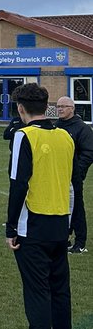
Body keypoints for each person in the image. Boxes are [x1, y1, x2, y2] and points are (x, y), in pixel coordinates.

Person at [1, 82, 74, 329]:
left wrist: (10, 227)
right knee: (60, 292)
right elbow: (71, 184)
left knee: (37, 294)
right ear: (47, 107)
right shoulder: (65, 136)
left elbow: (18, 183)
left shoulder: (23, 135)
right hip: (59, 223)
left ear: (20, 109)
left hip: (33, 226)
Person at [55, 96, 93, 254]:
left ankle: (80, 242)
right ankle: (64, 238)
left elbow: (89, 152)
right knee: (60, 208)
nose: (60, 109)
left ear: (72, 108)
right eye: (58, 106)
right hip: (57, 175)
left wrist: (77, 170)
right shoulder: (56, 126)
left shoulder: (82, 128)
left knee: (76, 208)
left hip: (73, 176)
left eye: (64, 106)